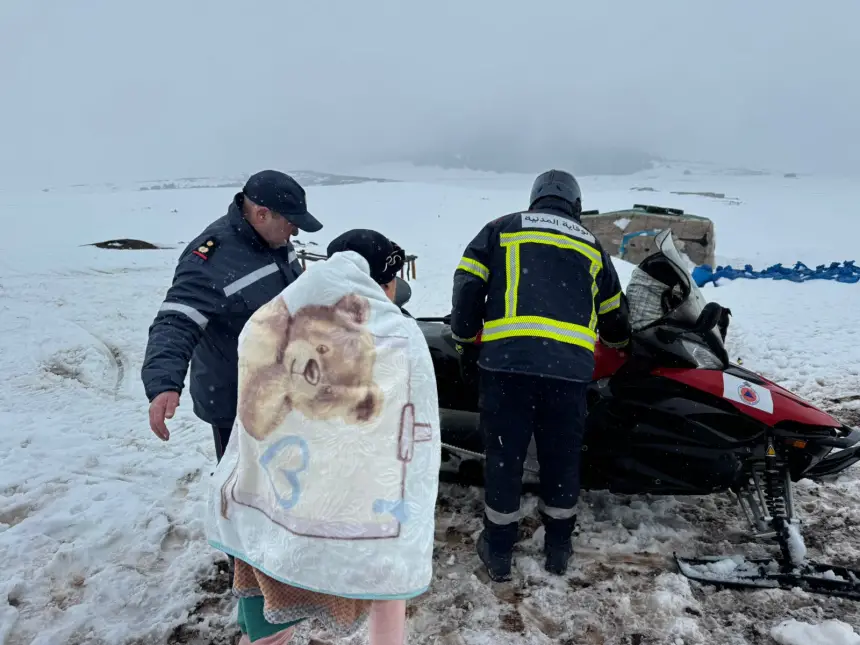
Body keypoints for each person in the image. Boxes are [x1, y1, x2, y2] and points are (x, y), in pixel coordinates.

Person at [205, 229, 440, 644]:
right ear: (380, 281)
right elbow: (412, 434)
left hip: (278, 507)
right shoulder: (401, 337)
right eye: (390, 284)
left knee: (272, 590)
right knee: (385, 584)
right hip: (363, 515)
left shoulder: (269, 320)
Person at [450, 169, 631, 581]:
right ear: (576, 205)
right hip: (568, 374)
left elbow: (466, 288)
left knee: (505, 457)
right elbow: (614, 317)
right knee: (560, 458)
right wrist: (622, 343)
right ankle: (558, 548)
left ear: (535, 199)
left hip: (506, 368)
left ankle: (498, 552)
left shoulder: (501, 229)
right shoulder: (592, 245)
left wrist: (463, 339)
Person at [141, 170, 322, 461]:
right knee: (243, 488)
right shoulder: (211, 261)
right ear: (262, 214)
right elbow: (177, 321)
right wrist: (163, 383)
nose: (296, 232)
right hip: (236, 400)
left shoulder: (274, 240)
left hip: (281, 389)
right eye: (291, 223)